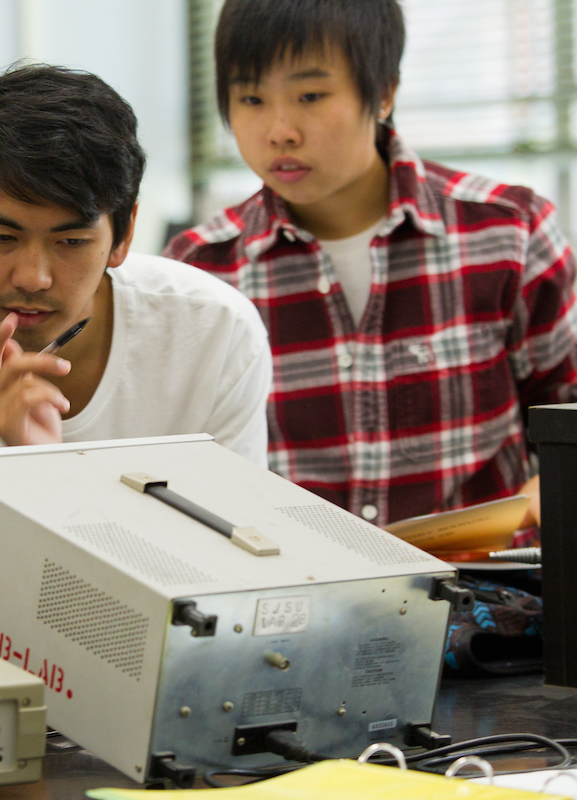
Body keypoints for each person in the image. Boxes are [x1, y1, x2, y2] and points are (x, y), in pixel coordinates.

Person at [164, 0, 577, 529]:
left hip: (487, 596)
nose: (279, 130)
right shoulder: (199, 273)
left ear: (383, 92)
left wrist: (544, 497)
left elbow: (569, 415)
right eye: (251, 98)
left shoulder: (507, 232)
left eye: (311, 95)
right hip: (291, 596)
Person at [0, 65, 271, 470]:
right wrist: (20, 468)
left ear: (123, 234)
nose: (33, 278)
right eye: (3, 239)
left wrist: (45, 467)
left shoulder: (215, 332)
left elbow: (227, 544)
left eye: (71, 242)